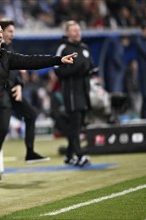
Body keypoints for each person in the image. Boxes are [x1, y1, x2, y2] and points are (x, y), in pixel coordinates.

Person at [0, 20, 76, 216]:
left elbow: (32, 61)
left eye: (1, 32)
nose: (0, 35)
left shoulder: (5, 56)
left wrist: (58, 60)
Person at [0, 19, 50, 183]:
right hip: (0, 95)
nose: (12, 34)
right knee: (3, 129)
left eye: (13, 32)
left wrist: (19, 85)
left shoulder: (10, 50)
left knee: (31, 115)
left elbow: (16, 73)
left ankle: (29, 152)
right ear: (0, 32)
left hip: (12, 92)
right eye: (9, 31)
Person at [54, 20, 92, 167]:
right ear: (67, 33)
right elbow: (57, 70)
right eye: (74, 30)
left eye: (79, 30)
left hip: (84, 91)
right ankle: (79, 155)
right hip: (71, 92)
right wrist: (76, 70)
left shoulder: (84, 47)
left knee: (78, 125)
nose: (77, 33)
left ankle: (69, 156)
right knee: (75, 125)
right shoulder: (63, 48)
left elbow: (89, 66)